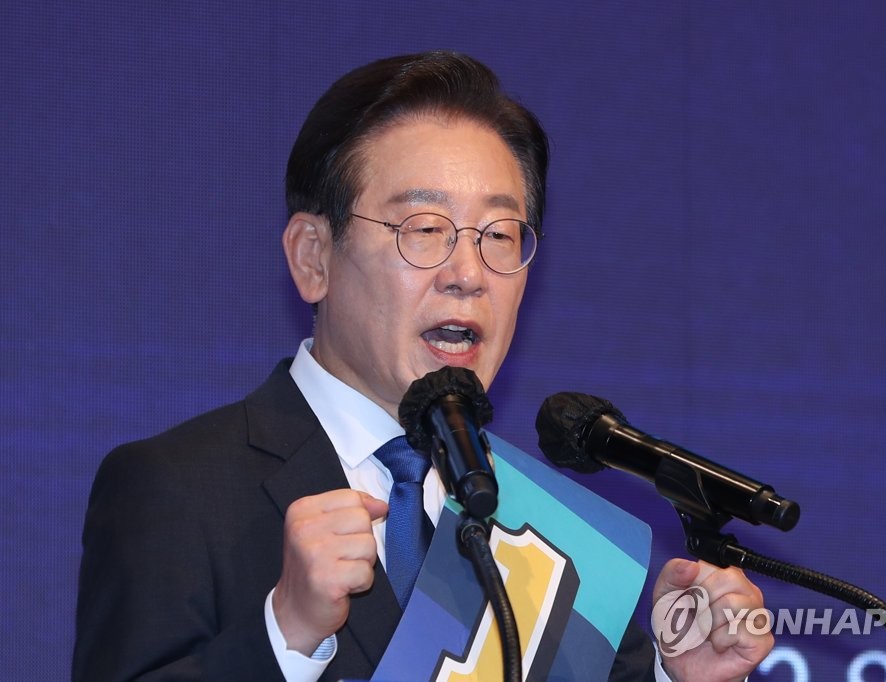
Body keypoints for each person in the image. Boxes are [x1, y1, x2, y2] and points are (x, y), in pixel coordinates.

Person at [74, 50, 773, 681]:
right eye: (426, 230)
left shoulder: (558, 536)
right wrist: (283, 635)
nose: (469, 273)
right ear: (314, 257)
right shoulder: (178, 489)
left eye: (499, 235)